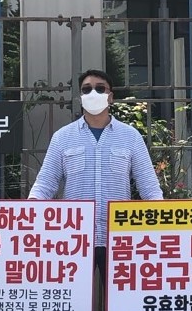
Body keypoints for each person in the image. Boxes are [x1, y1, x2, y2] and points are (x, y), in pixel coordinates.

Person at [28, 68, 163, 292]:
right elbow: (45, 184)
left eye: (100, 89)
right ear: (80, 96)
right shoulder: (63, 137)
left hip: (119, 238)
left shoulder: (130, 136)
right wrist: (28, 213)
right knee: (73, 297)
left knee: (121, 298)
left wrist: (162, 221)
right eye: (86, 89)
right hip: (74, 239)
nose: (93, 93)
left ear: (110, 96)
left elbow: (149, 186)